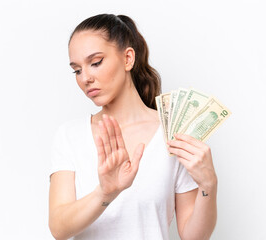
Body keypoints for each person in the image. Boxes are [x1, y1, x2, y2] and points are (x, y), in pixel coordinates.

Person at [48, 13, 217, 240]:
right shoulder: (70, 136)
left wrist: (209, 186)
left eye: (95, 62)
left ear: (128, 58)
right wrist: (106, 193)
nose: (85, 77)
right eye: (77, 70)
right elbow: (59, 228)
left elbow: (193, 237)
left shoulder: (173, 133)